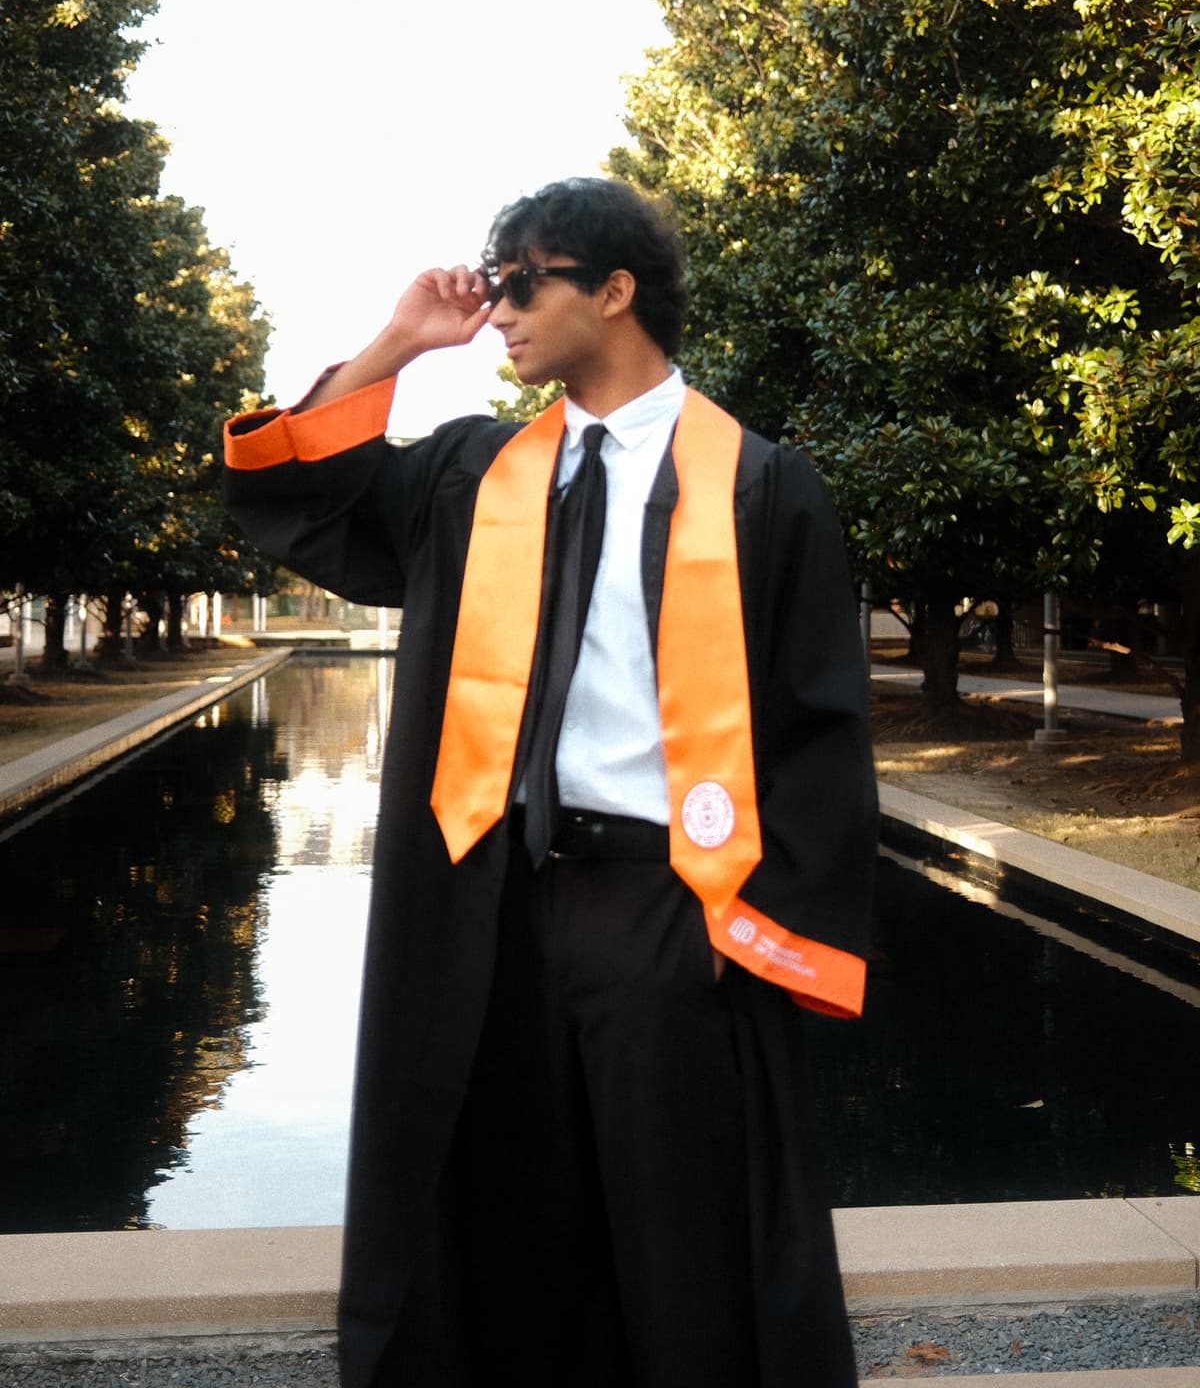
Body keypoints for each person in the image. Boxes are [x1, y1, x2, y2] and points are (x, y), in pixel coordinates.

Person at [223, 175, 877, 1388]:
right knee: (509, 1239)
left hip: (673, 915)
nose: (503, 310)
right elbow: (290, 495)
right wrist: (401, 343)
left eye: (524, 282)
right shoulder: (476, 476)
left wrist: (736, 935)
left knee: (688, 1254)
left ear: (614, 291)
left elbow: (822, 732)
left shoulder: (760, 482)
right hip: (494, 913)